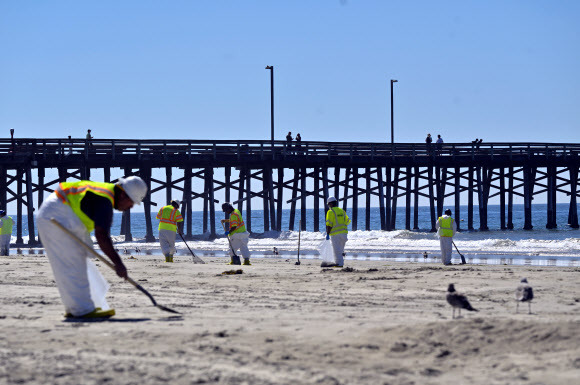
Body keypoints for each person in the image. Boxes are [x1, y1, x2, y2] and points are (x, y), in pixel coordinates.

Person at [36, 176, 148, 318]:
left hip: (58, 212)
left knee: (74, 262)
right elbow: (102, 236)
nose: (131, 207)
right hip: (56, 215)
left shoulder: (105, 196)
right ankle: (81, 310)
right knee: (72, 263)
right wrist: (118, 263)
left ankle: (78, 307)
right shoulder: (104, 201)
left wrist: (118, 263)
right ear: (123, 194)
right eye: (132, 202)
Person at [324, 197, 351, 267]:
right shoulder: (342, 211)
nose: (328, 206)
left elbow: (329, 224)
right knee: (341, 250)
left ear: (331, 203)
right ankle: (340, 263)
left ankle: (339, 264)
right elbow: (347, 221)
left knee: (337, 251)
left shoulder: (330, 212)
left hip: (336, 234)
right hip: (344, 234)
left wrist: (327, 234)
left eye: (328, 204)